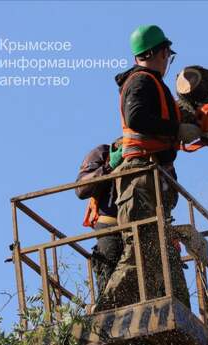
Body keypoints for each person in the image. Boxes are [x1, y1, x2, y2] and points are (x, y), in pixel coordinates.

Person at [101, 25, 201, 310]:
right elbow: (137, 118)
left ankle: (179, 307)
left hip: (153, 177)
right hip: (139, 178)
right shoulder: (141, 81)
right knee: (139, 253)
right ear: (161, 52)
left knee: (164, 253)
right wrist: (176, 129)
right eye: (167, 53)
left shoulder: (154, 86)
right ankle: (102, 318)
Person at [75, 140, 124, 305]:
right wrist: (109, 167)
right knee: (109, 288)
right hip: (110, 228)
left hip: (140, 229)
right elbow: (81, 189)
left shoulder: (152, 154)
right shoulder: (105, 152)